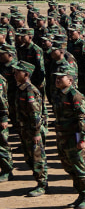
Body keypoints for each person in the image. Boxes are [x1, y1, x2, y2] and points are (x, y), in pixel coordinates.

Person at [51, 70, 85, 209]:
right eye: (56, 78)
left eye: (60, 78)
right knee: (69, 167)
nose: (57, 80)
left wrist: (83, 138)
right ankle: (80, 194)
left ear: (70, 81)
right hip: (63, 136)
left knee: (80, 166)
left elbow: (82, 118)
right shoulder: (58, 94)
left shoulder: (75, 96)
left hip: (74, 137)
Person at [12, 61, 48, 196]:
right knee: (29, 158)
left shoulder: (30, 91)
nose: (15, 74)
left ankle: (42, 184)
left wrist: (37, 132)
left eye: (17, 72)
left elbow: (36, 114)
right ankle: (39, 182)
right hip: (26, 130)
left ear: (26, 74)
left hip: (33, 130)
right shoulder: (21, 89)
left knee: (37, 157)